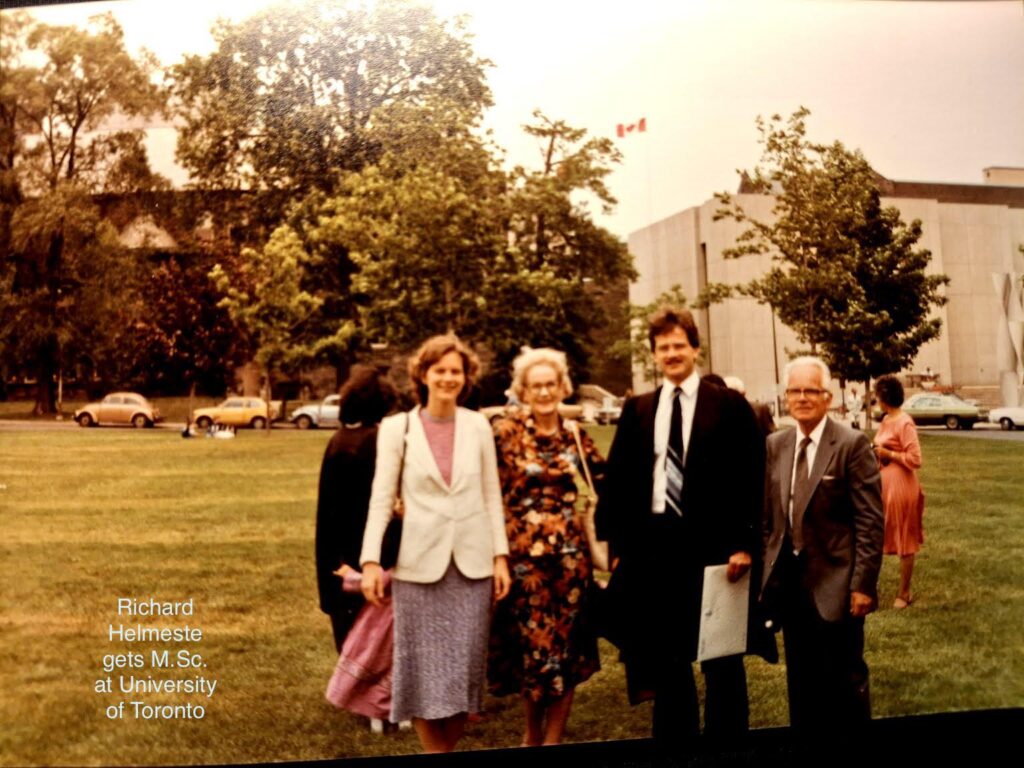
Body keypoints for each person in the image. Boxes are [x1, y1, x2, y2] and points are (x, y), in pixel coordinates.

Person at [595, 306, 765, 747]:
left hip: (715, 552)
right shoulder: (638, 409)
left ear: (695, 348)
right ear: (654, 355)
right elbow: (619, 480)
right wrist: (618, 546)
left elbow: (750, 477)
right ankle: (677, 744)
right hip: (654, 554)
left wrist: (743, 544)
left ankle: (727, 742)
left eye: (679, 345)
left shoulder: (728, 406)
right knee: (667, 660)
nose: (671, 354)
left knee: (721, 658)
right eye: (663, 347)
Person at [359, 334, 511, 754]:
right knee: (422, 671)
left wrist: (500, 556)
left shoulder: (478, 425)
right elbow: (380, 498)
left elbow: (490, 494)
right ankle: (435, 754)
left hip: (472, 567)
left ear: (466, 377)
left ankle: (448, 750)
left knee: (463, 671)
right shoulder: (397, 428)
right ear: (423, 376)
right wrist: (371, 561)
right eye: (439, 370)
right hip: (417, 569)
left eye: (455, 371)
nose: (447, 378)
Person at [759, 356, 884, 730]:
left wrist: (863, 585)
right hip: (791, 589)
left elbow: (870, 521)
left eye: (810, 390)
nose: (801, 398)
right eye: (794, 391)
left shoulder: (851, 444)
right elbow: (770, 518)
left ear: (827, 397)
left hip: (838, 585)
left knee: (844, 681)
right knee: (801, 682)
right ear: (785, 397)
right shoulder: (775, 445)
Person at [487, 348, 603, 747]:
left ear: (562, 387)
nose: (543, 392)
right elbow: (489, 493)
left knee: (567, 650)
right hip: (524, 565)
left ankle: (553, 738)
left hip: (571, 562)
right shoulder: (506, 432)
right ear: (522, 390)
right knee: (533, 651)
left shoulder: (575, 434)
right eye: (535, 386)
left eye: (550, 384)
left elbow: (607, 483)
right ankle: (531, 733)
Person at [315, 365, 399, 652]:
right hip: (364, 553)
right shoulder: (374, 443)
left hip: (337, 553)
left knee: (349, 639)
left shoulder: (338, 440)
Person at [872, 375, 925, 609]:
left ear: (884, 397)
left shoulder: (905, 422)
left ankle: (904, 593)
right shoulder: (885, 420)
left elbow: (915, 459)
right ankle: (868, 589)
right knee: (875, 534)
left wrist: (888, 454)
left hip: (902, 486)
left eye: (877, 395)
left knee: (905, 538)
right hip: (883, 485)